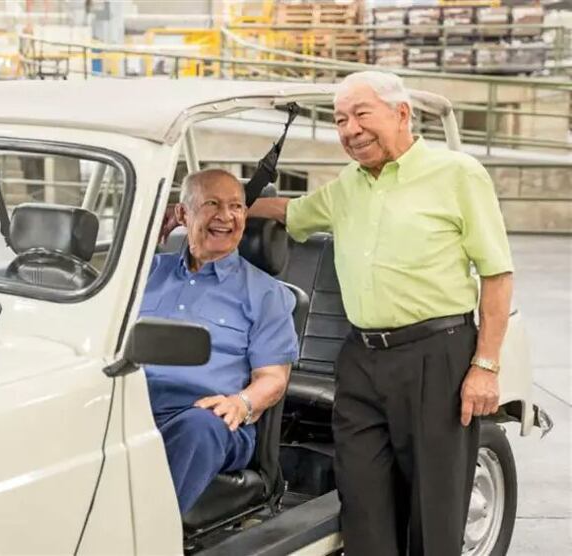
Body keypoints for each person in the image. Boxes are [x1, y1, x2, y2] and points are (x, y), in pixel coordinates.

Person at [162, 72, 514, 555]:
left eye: (361, 114)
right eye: (340, 119)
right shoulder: (348, 185)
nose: (350, 129)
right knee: (364, 502)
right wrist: (196, 208)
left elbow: (497, 275)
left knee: (434, 509)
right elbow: (289, 211)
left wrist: (485, 365)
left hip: (437, 354)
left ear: (401, 113)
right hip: (362, 357)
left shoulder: (457, 174)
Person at [141, 168, 299, 515]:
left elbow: (272, 379)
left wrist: (241, 403)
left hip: (208, 418)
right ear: (183, 214)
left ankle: (140, 538)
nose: (225, 217)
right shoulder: (146, 273)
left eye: (236, 207)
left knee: (199, 427)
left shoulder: (266, 294)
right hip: (132, 409)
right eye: (211, 204)